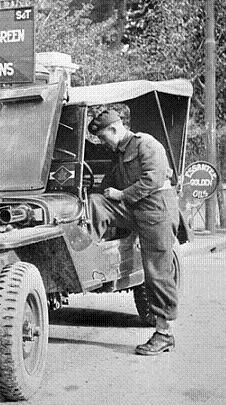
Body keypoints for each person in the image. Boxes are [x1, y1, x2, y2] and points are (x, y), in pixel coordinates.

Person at [87, 110, 179, 355]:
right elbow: (107, 184)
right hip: (134, 209)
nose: (103, 143)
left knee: (156, 271)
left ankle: (164, 333)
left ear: (115, 130)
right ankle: (92, 261)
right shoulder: (118, 152)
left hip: (156, 209)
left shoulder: (146, 144)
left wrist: (122, 195)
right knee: (95, 202)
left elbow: (154, 179)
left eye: (104, 137)